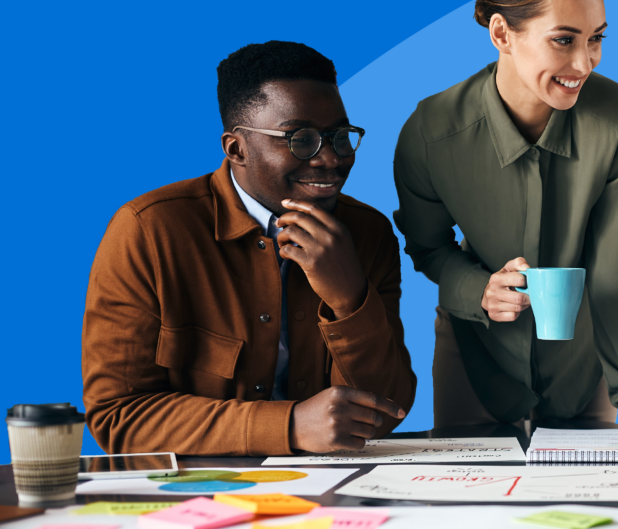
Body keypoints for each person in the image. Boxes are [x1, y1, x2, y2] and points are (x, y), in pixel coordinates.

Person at [83, 41, 416, 456]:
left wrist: (350, 301)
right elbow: (117, 416)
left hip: (335, 483)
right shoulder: (149, 230)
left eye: (340, 137)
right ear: (236, 149)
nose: (331, 159)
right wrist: (288, 426)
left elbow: (387, 410)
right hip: (201, 487)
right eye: (300, 139)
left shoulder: (367, 232)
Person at [393, 0, 618, 428]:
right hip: (476, 357)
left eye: (596, 38)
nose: (584, 63)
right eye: (564, 39)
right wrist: (478, 290)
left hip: (585, 364)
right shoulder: (431, 131)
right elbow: (428, 248)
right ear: (502, 34)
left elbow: (614, 270)